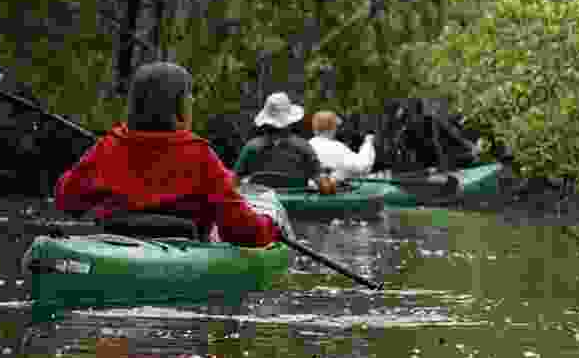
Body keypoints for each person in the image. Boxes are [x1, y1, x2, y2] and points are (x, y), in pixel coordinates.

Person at [54, 61, 279, 247]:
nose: (192, 101)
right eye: (188, 96)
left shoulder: (108, 146)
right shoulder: (200, 155)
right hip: (182, 251)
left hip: (115, 245)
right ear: (178, 106)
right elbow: (240, 231)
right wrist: (269, 227)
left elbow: (67, 200)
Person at [233, 92, 321, 188]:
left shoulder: (250, 148)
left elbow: (234, 182)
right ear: (290, 121)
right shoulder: (304, 147)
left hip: (261, 202)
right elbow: (323, 184)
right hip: (295, 201)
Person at [308, 110, 376, 181]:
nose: (337, 129)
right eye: (336, 126)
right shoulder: (335, 147)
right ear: (332, 128)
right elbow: (362, 166)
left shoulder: (308, 145)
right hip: (334, 190)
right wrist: (368, 143)